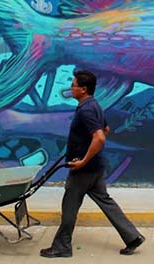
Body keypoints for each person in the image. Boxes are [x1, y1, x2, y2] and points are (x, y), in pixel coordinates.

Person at [40, 70, 145, 258]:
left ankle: (62, 246)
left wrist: (83, 159)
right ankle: (132, 237)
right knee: (105, 200)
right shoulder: (94, 105)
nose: (70, 88)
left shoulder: (87, 110)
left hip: (84, 169)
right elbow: (106, 128)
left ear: (83, 89)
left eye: (73, 85)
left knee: (69, 206)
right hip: (95, 167)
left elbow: (100, 136)